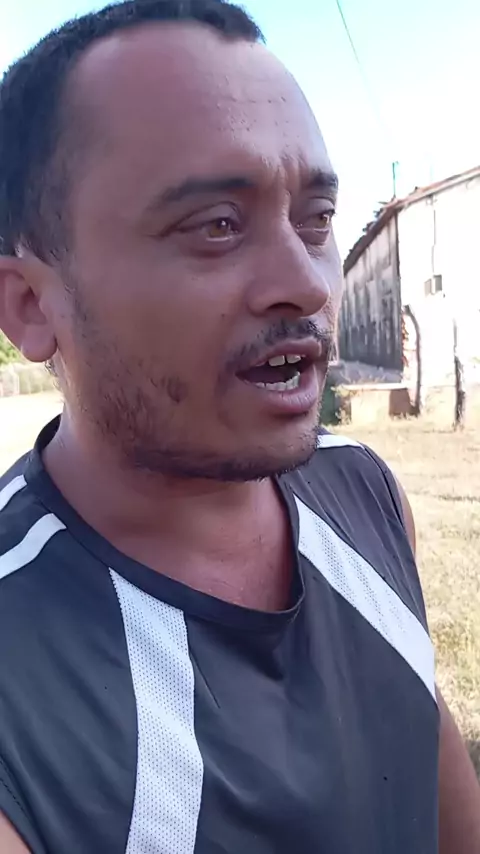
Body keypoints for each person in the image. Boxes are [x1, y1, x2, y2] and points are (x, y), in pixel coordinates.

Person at [0, 1, 479, 852]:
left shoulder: (365, 493)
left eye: (316, 219)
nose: (307, 282)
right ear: (32, 305)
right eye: (216, 226)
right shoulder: (20, 677)